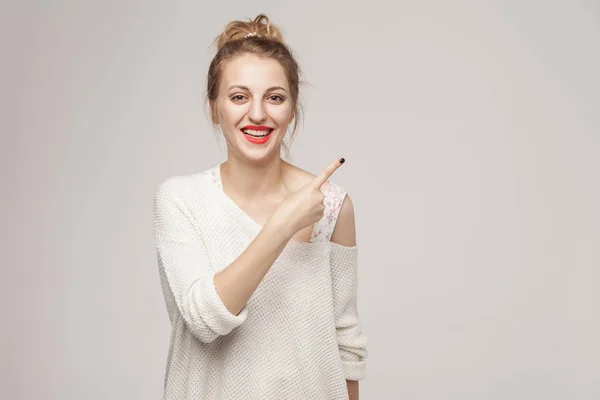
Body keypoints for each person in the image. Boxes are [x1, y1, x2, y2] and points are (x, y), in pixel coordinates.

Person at [152, 14, 367, 400]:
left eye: (275, 97)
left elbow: (345, 342)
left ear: (292, 109)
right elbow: (204, 319)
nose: (257, 114)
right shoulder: (180, 199)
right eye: (239, 97)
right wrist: (282, 226)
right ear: (214, 107)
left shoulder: (332, 207)